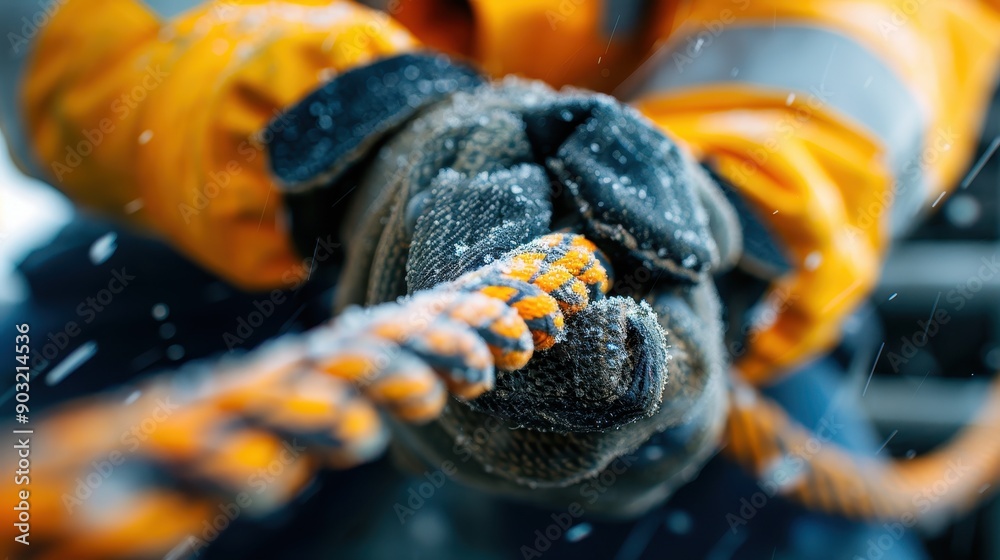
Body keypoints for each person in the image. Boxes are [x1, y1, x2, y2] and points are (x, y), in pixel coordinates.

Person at [1, 1, 999, 558]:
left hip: (667, 251)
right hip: (234, 205)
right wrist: (352, 126)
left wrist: (735, 212)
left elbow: (873, 29)